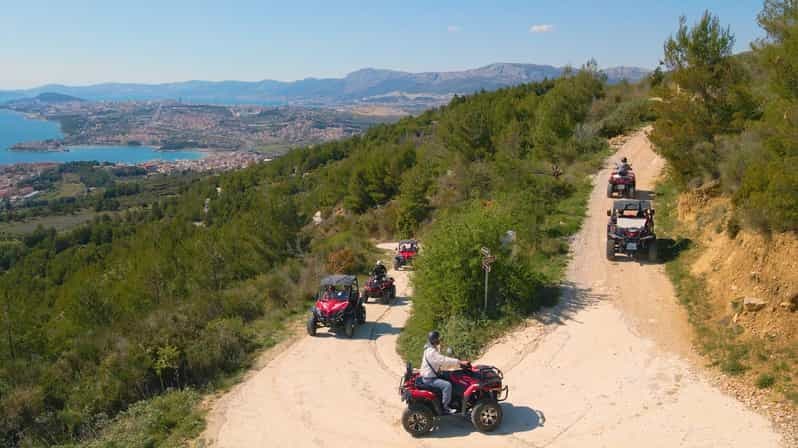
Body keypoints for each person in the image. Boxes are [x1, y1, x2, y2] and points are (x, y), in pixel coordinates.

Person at [420, 331, 467, 414]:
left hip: (430, 375)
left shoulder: (428, 349)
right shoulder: (431, 352)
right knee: (447, 385)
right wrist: (459, 362)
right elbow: (443, 360)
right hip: (430, 379)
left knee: (448, 376)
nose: (439, 340)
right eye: (438, 338)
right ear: (434, 340)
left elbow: (438, 361)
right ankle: (445, 407)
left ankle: (453, 400)